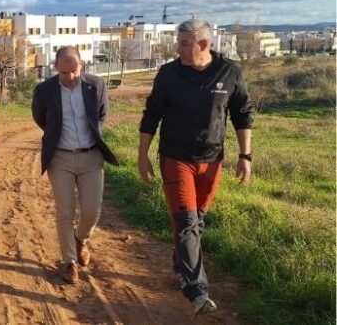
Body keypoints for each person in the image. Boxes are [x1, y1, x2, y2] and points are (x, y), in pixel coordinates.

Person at [138, 18, 253, 314]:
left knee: (195, 221)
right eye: (179, 43)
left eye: (184, 44)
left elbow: (242, 114)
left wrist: (245, 155)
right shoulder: (169, 74)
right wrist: (142, 155)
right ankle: (196, 290)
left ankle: (180, 260)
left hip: (212, 160)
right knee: (187, 222)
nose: (179, 49)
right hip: (175, 158)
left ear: (204, 44)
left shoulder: (229, 72)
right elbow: (152, 115)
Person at [31, 46, 119, 284]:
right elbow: (41, 118)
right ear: (56, 67)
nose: (70, 77)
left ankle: (81, 238)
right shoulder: (44, 90)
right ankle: (69, 261)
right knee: (64, 210)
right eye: (64, 72)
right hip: (59, 158)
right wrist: (57, 134)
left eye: (74, 71)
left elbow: (101, 115)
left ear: (82, 65)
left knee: (92, 210)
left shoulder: (96, 86)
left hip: (91, 156)